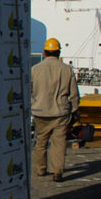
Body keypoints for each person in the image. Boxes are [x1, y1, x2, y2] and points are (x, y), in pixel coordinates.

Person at [31, 38, 79, 182]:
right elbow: (74, 94)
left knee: (40, 142)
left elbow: (29, 90)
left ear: (45, 52)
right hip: (60, 113)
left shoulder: (35, 69)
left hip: (40, 112)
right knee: (59, 143)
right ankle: (57, 172)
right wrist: (75, 110)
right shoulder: (66, 70)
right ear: (58, 53)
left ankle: (40, 169)